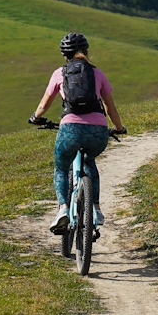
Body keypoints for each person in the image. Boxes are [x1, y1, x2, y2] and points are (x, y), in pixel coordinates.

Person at [29, 32, 127, 235]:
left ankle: (63, 208)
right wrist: (119, 128)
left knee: (61, 166)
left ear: (64, 54)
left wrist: (35, 118)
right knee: (89, 162)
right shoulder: (97, 73)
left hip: (70, 129)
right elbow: (111, 109)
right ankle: (96, 210)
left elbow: (43, 104)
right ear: (86, 51)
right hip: (98, 132)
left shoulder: (60, 73)